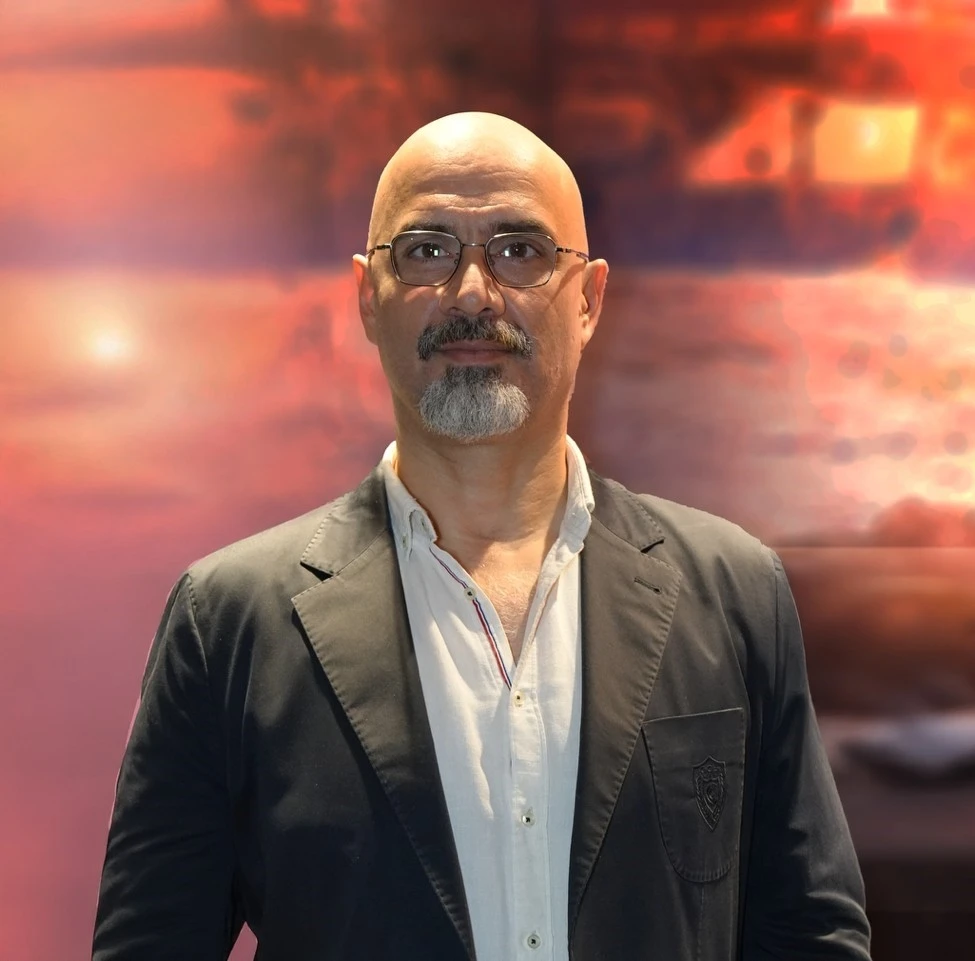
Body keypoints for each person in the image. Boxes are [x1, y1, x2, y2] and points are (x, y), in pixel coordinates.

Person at [92, 112, 871, 961]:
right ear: (367, 296)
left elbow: (811, 936)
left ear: (588, 300)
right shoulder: (228, 623)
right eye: (426, 250)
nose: (471, 293)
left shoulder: (733, 593)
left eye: (519, 250)